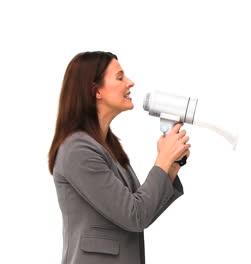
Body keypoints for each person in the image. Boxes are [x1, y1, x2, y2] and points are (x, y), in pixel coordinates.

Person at [48, 51, 190, 264]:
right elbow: (135, 216)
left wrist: (172, 164)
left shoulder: (108, 147)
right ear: (96, 90)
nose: (130, 83)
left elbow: (144, 210)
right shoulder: (78, 150)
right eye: (120, 77)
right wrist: (163, 159)